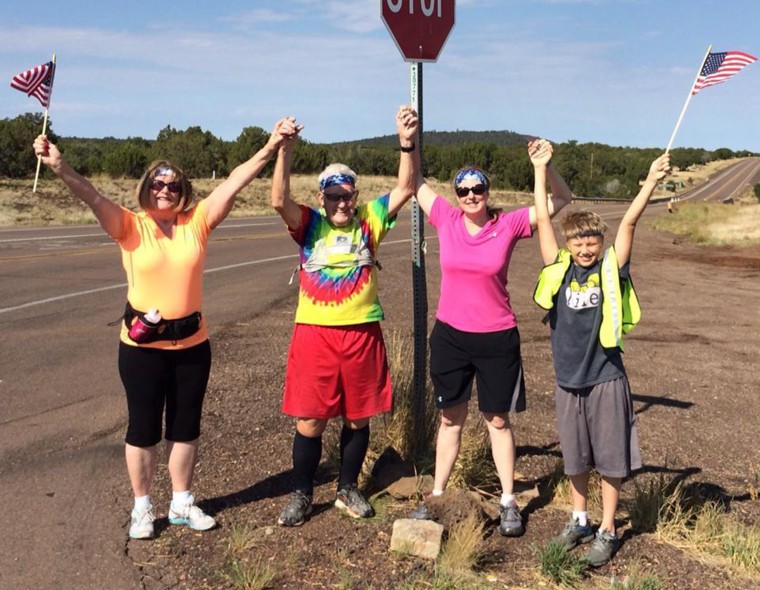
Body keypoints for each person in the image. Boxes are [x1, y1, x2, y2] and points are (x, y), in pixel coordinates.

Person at [32, 117, 300, 540]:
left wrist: (270, 148)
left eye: (173, 185)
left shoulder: (198, 222)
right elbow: (92, 195)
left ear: (183, 191)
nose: (165, 190)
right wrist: (61, 167)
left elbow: (233, 182)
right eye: (157, 184)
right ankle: (142, 508)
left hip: (192, 345)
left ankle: (181, 502)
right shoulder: (129, 225)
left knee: (185, 426)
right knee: (142, 428)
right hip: (142, 348)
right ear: (145, 188)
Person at [409, 140, 573, 536]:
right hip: (450, 336)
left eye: (477, 189)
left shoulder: (509, 224)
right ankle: (436, 495)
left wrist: (544, 166)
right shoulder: (445, 217)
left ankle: (508, 500)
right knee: (451, 419)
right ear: (456, 195)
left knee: (497, 420)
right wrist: (407, 141)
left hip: (497, 338)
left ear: (487, 192)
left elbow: (562, 199)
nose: (470, 196)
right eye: (462, 190)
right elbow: (412, 180)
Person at [270, 106, 419, 526]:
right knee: (311, 419)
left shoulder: (370, 220)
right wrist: (284, 149)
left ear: (356, 196)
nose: (341, 202)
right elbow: (277, 199)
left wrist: (405, 140)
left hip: (361, 333)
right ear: (321, 197)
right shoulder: (309, 224)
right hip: (315, 334)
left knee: (358, 416)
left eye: (347, 195)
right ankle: (301, 494)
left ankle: (347, 489)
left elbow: (406, 186)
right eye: (333, 195)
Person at [531, 140, 670, 565]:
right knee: (575, 456)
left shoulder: (611, 268)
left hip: (606, 378)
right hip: (567, 380)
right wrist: (540, 169)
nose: (586, 249)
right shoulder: (557, 269)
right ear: (570, 244)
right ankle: (580, 519)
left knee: (609, 457)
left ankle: (608, 528)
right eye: (579, 243)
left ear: (599, 243)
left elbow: (628, 223)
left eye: (592, 242)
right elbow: (542, 221)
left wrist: (649, 181)